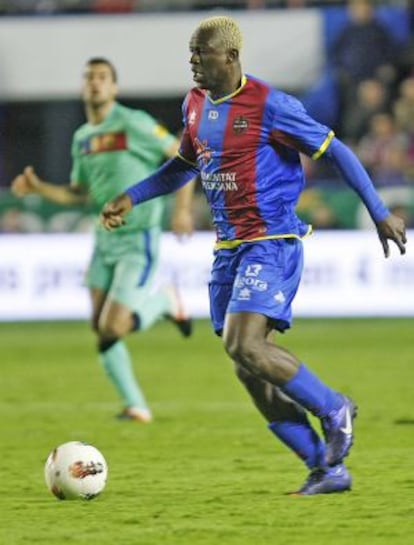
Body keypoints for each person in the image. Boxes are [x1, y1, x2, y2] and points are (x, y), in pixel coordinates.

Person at [100, 17, 407, 495]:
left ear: (230, 56)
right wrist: (132, 196)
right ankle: (327, 470)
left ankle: (334, 407)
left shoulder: (271, 104)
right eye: (191, 54)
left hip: (272, 242)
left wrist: (380, 212)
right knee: (247, 367)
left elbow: (337, 151)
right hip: (226, 249)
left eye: (200, 54)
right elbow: (182, 165)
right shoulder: (195, 104)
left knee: (245, 345)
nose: (192, 62)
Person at [11, 57, 195, 424]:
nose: (94, 83)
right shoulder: (83, 139)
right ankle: (136, 407)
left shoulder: (134, 123)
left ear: (114, 87)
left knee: (113, 326)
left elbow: (183, 157)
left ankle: (163, 301)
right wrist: (39, 188)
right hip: (104, 239)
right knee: (101, 326)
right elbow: (81, 193)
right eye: (89, 78)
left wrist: (182, 210)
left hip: (138, 236)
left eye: (102, 78)